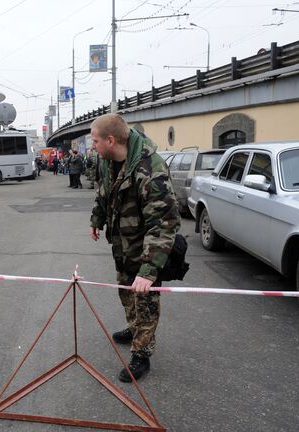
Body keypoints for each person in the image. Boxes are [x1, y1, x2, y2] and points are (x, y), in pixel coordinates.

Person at [89, 113, 180, 383]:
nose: (93, 146)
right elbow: (104, 192)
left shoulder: (150, 169)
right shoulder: (108, 162)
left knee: (145, 302)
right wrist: (97, 218)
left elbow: (164, 223)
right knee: (126, 293)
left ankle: (142, 353)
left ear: (111, 139)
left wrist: (149, 269)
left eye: (95, 141)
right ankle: (133, 328)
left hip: (146, 251)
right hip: (123, 247)